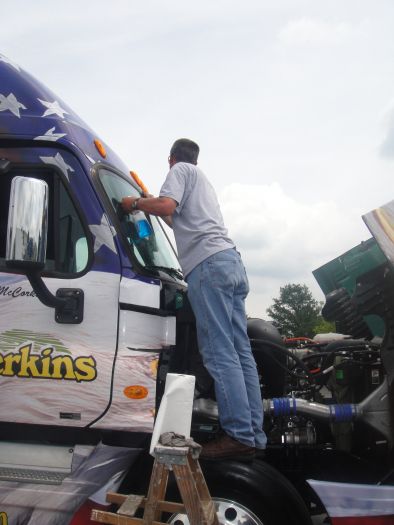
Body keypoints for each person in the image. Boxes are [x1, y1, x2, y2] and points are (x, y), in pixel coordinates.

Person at [122, 138, 267, 461]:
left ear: (170, 159)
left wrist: (134, 204)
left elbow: (167, 207)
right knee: (241, 353)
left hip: (208, 267)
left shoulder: (179, 170)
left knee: (218, 352)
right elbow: (174, 218)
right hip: (230, 262)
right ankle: (253, 434)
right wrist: (152, 203)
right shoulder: (202, 181)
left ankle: (238, 435)